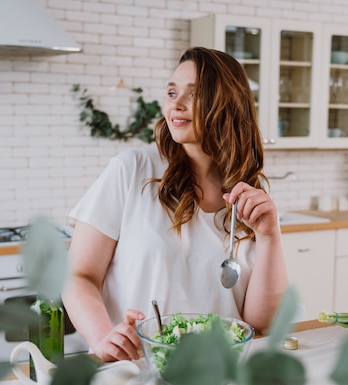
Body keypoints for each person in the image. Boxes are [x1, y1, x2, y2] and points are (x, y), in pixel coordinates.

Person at [62, 47, 289, 362]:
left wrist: (270, 236)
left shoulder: (248, 194)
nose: (176, 105)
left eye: (194, 94)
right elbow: (78, 275)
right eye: (172, 92)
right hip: (133, 369)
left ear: (227, 105)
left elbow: (260, 322)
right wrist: (102, 337)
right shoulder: (132, 170)